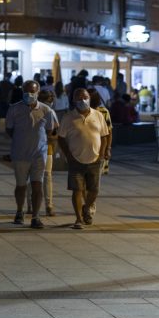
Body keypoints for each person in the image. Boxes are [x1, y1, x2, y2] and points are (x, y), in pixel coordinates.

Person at [5, 80, 57, 229]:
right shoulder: (14, 109)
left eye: (32, 92)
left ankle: (36, 216)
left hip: (39, 154)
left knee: (37, 185)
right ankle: (20, 211)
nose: (29, 95)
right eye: (26, 92)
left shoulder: (46, 110)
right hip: (20, 154)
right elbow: (9, 130)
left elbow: (49, 131)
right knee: (21, 186)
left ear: (38, 92)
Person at [58, 88, 109, 229]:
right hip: (76, 160)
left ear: (90, 98)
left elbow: (105, 135)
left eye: (85, 97)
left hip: (95, 159)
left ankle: (87, 208)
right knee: (77, 190)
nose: (83, 101)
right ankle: (79, 218)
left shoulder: (98, 115)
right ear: (74, 100)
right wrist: (68, 155)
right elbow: (61, 138)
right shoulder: (68, 117)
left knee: (94, 190)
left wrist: (102, 153)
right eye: (79, 98)